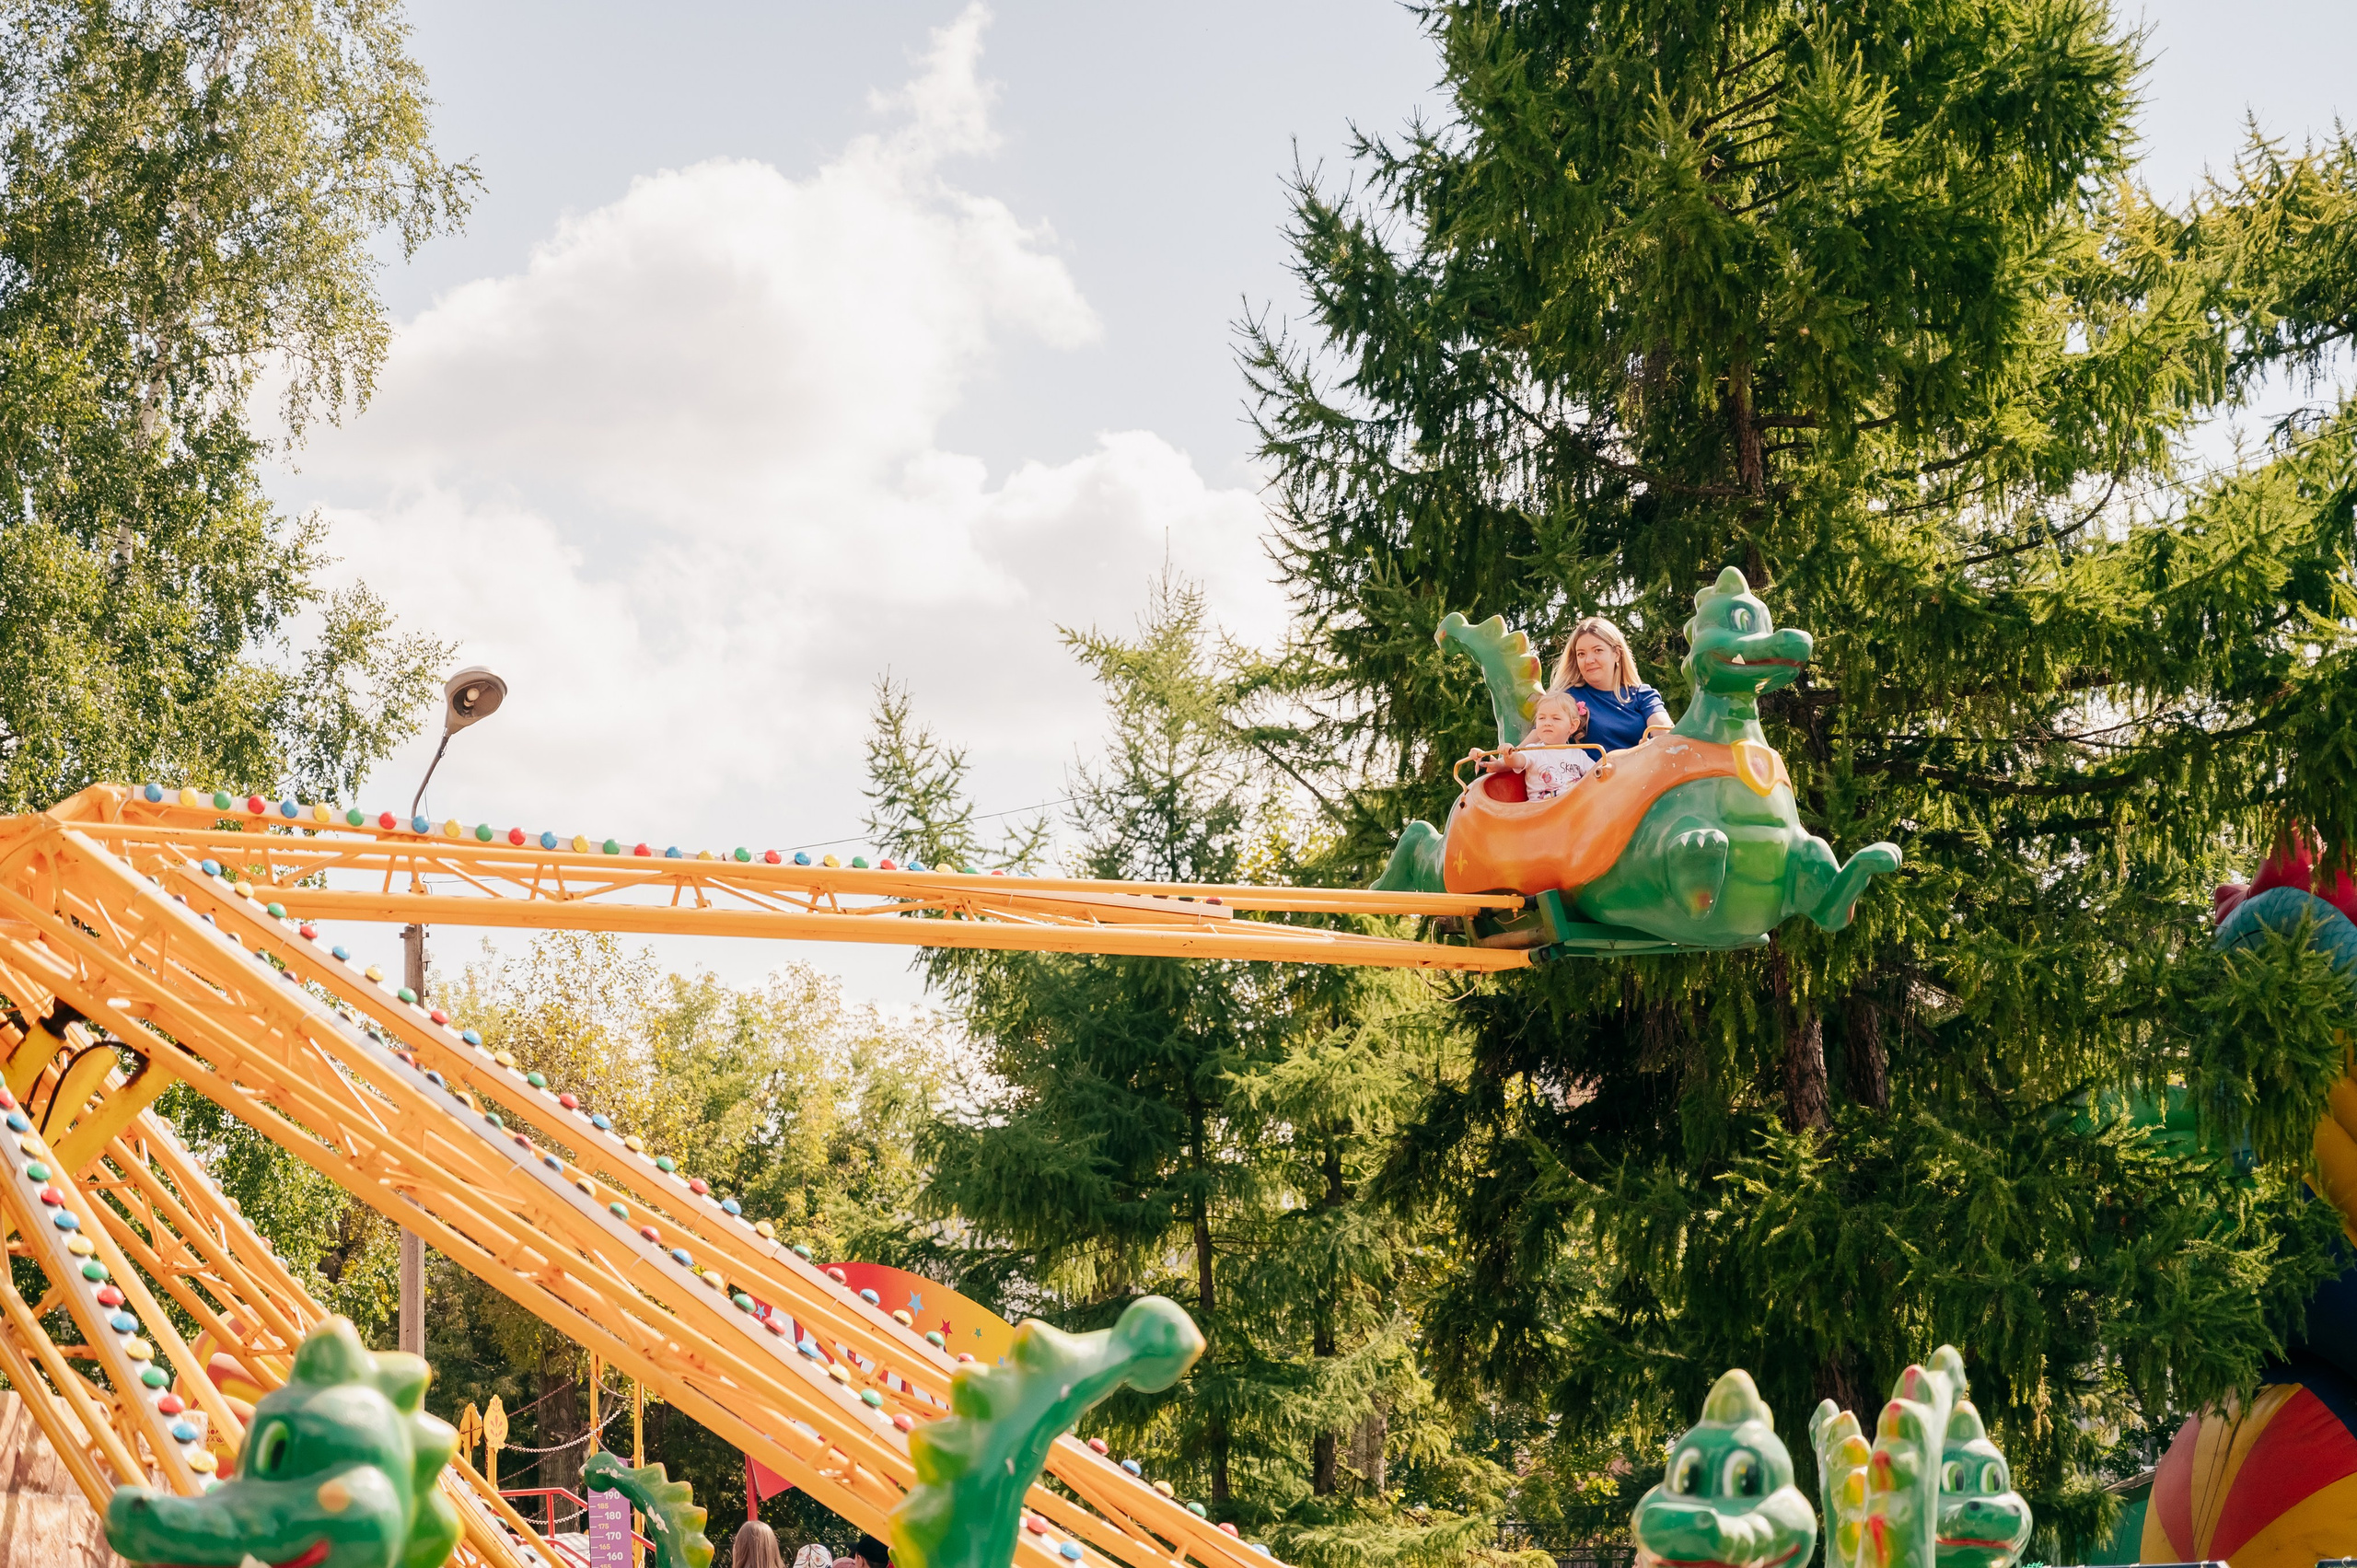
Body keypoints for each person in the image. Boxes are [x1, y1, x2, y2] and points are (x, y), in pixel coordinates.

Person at [1551, 615, 1670, 750]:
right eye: (1581, 654)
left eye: (1598, 650)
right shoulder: (1565, 697)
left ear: (1617, 654)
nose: (1589, 660)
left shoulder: (1643, 695)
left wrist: (1650, 748)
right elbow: (1535, 745)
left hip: (1643, 764)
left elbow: (1667, 736)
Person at [1466, 692, 1592, 801]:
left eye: (1556, 718)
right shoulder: (1534, 750)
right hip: (1544, 810)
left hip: (1572, 808)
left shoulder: (1579, 754)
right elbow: (1517, 761)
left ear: (1572, 726)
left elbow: (1597, 772)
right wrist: (1509, 755)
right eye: (1541, 718)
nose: (1547, 723)